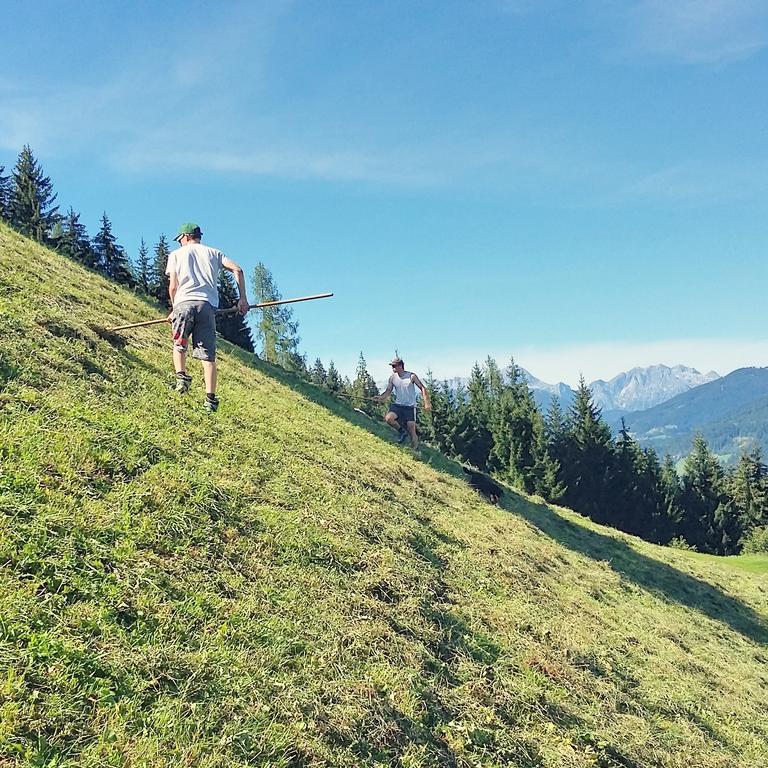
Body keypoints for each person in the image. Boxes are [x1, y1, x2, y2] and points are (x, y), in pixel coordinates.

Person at [165, 222, 250, 412]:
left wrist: (174, 308)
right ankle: (210, 400)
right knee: (208, 356)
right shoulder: (214, 253)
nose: (179, 243)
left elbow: (173, 286)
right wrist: (242, 299)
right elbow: (238, 269)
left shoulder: (176, 255)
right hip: (207, 307)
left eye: (180, 240)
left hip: (184, 304)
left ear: (185, 237)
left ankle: (181, 378)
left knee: (180, 343)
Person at [374, 356, 431, 448]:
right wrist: (380, 398)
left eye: (394, 366)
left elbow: (422, 388)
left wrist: (427, 402)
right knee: (389, 418)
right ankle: (402, 432)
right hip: (398, 405)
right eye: (392, 366)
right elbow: (388, 391)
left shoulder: (411, 376)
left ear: (400, 366)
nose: (392, 368)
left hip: (409, 407)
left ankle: (414, 450)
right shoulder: (392, 378)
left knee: (411, 430)